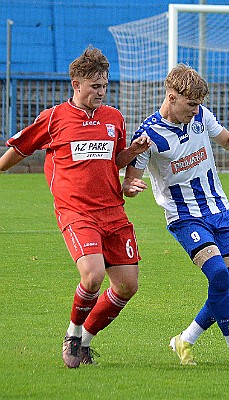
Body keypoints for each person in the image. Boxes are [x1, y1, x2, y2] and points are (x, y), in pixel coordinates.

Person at [0, 46, 151, 368]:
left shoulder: (114, 118)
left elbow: (115, 160)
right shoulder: (54, 117)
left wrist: (133, 151)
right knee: (93, 275)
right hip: (76, 211)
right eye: (94, 86)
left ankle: (85, 342)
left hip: (113, 211)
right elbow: (21, 148)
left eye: (104, 85)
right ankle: (71, 334)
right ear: (76, 84)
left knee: (127, 286)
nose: (100, 92)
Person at [122, 64, 229, 369]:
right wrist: (132, 186)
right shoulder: (149, 135)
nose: (195, 109)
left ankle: (186, 339)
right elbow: (129, 178)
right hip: (185, 217)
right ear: (172, 97)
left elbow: (228, 141)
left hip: (220, 210)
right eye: (190, 103)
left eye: (199, 104)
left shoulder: (201, 116)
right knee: (218, 274)